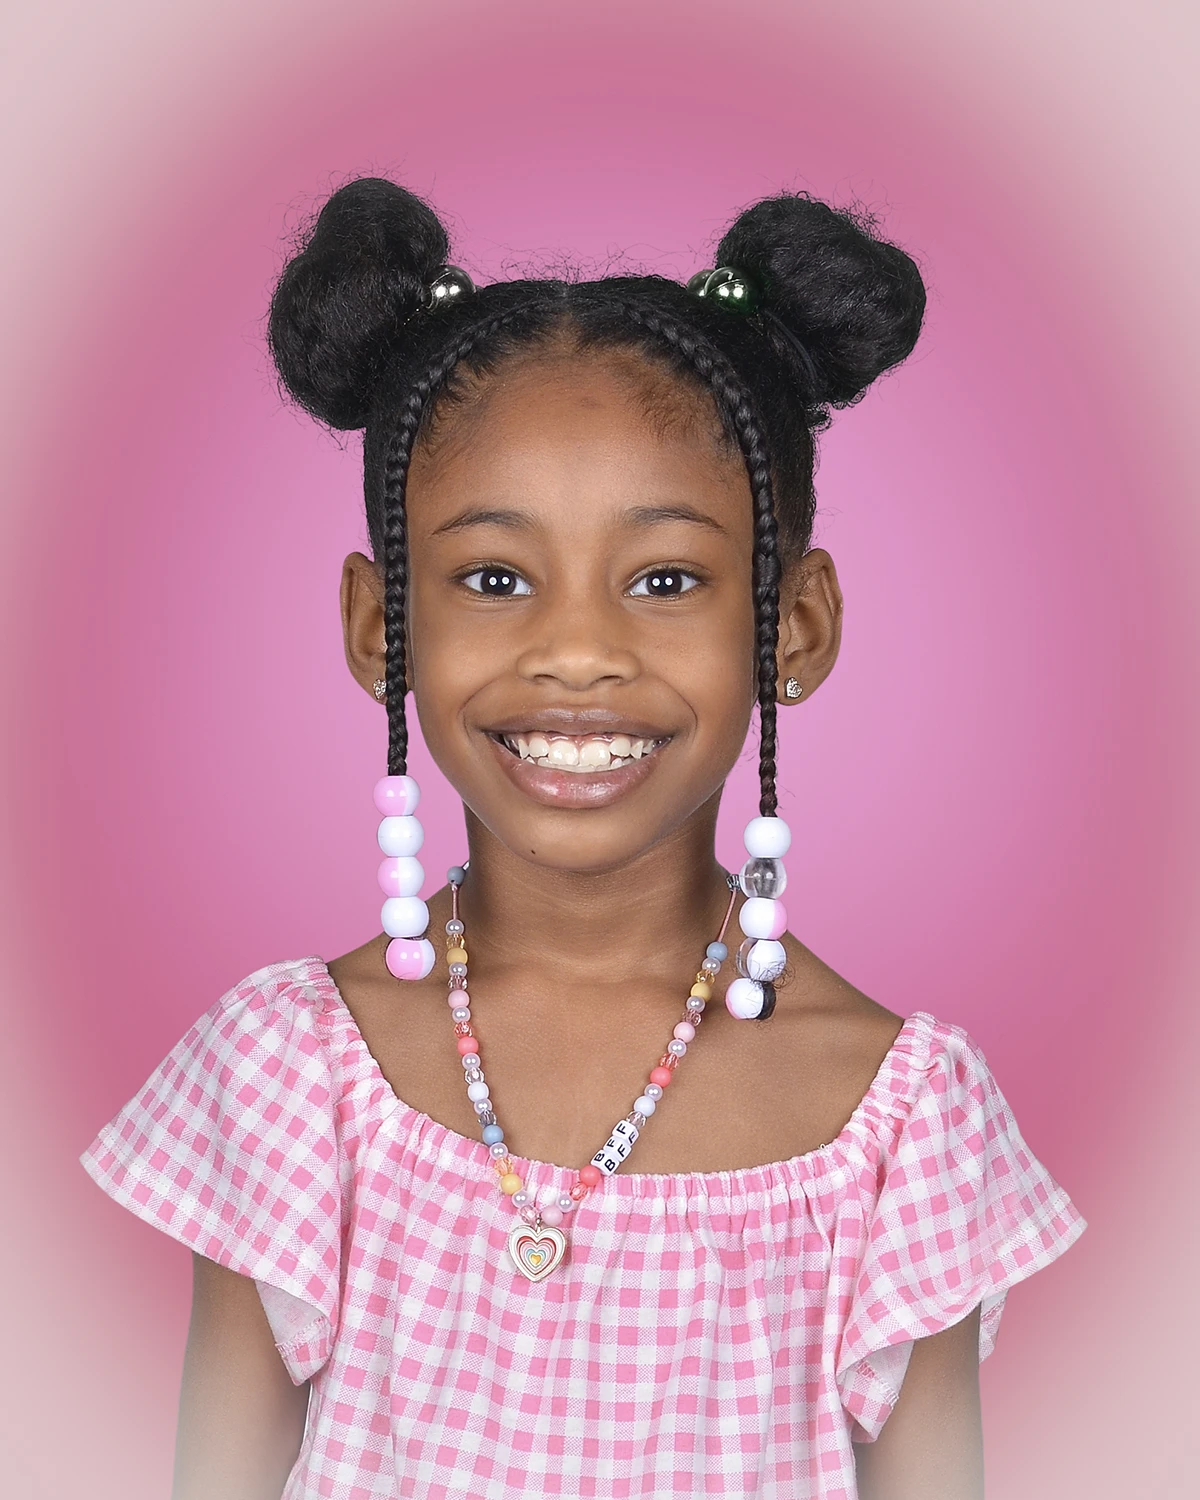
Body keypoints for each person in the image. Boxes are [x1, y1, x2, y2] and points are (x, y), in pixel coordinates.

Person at [80, 176, 1085, 1500]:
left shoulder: (901, 1129)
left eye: (665, 581)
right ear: (385, 628)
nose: (576, 653)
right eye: (494, 580)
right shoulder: (292, 1080)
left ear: (793, 627)